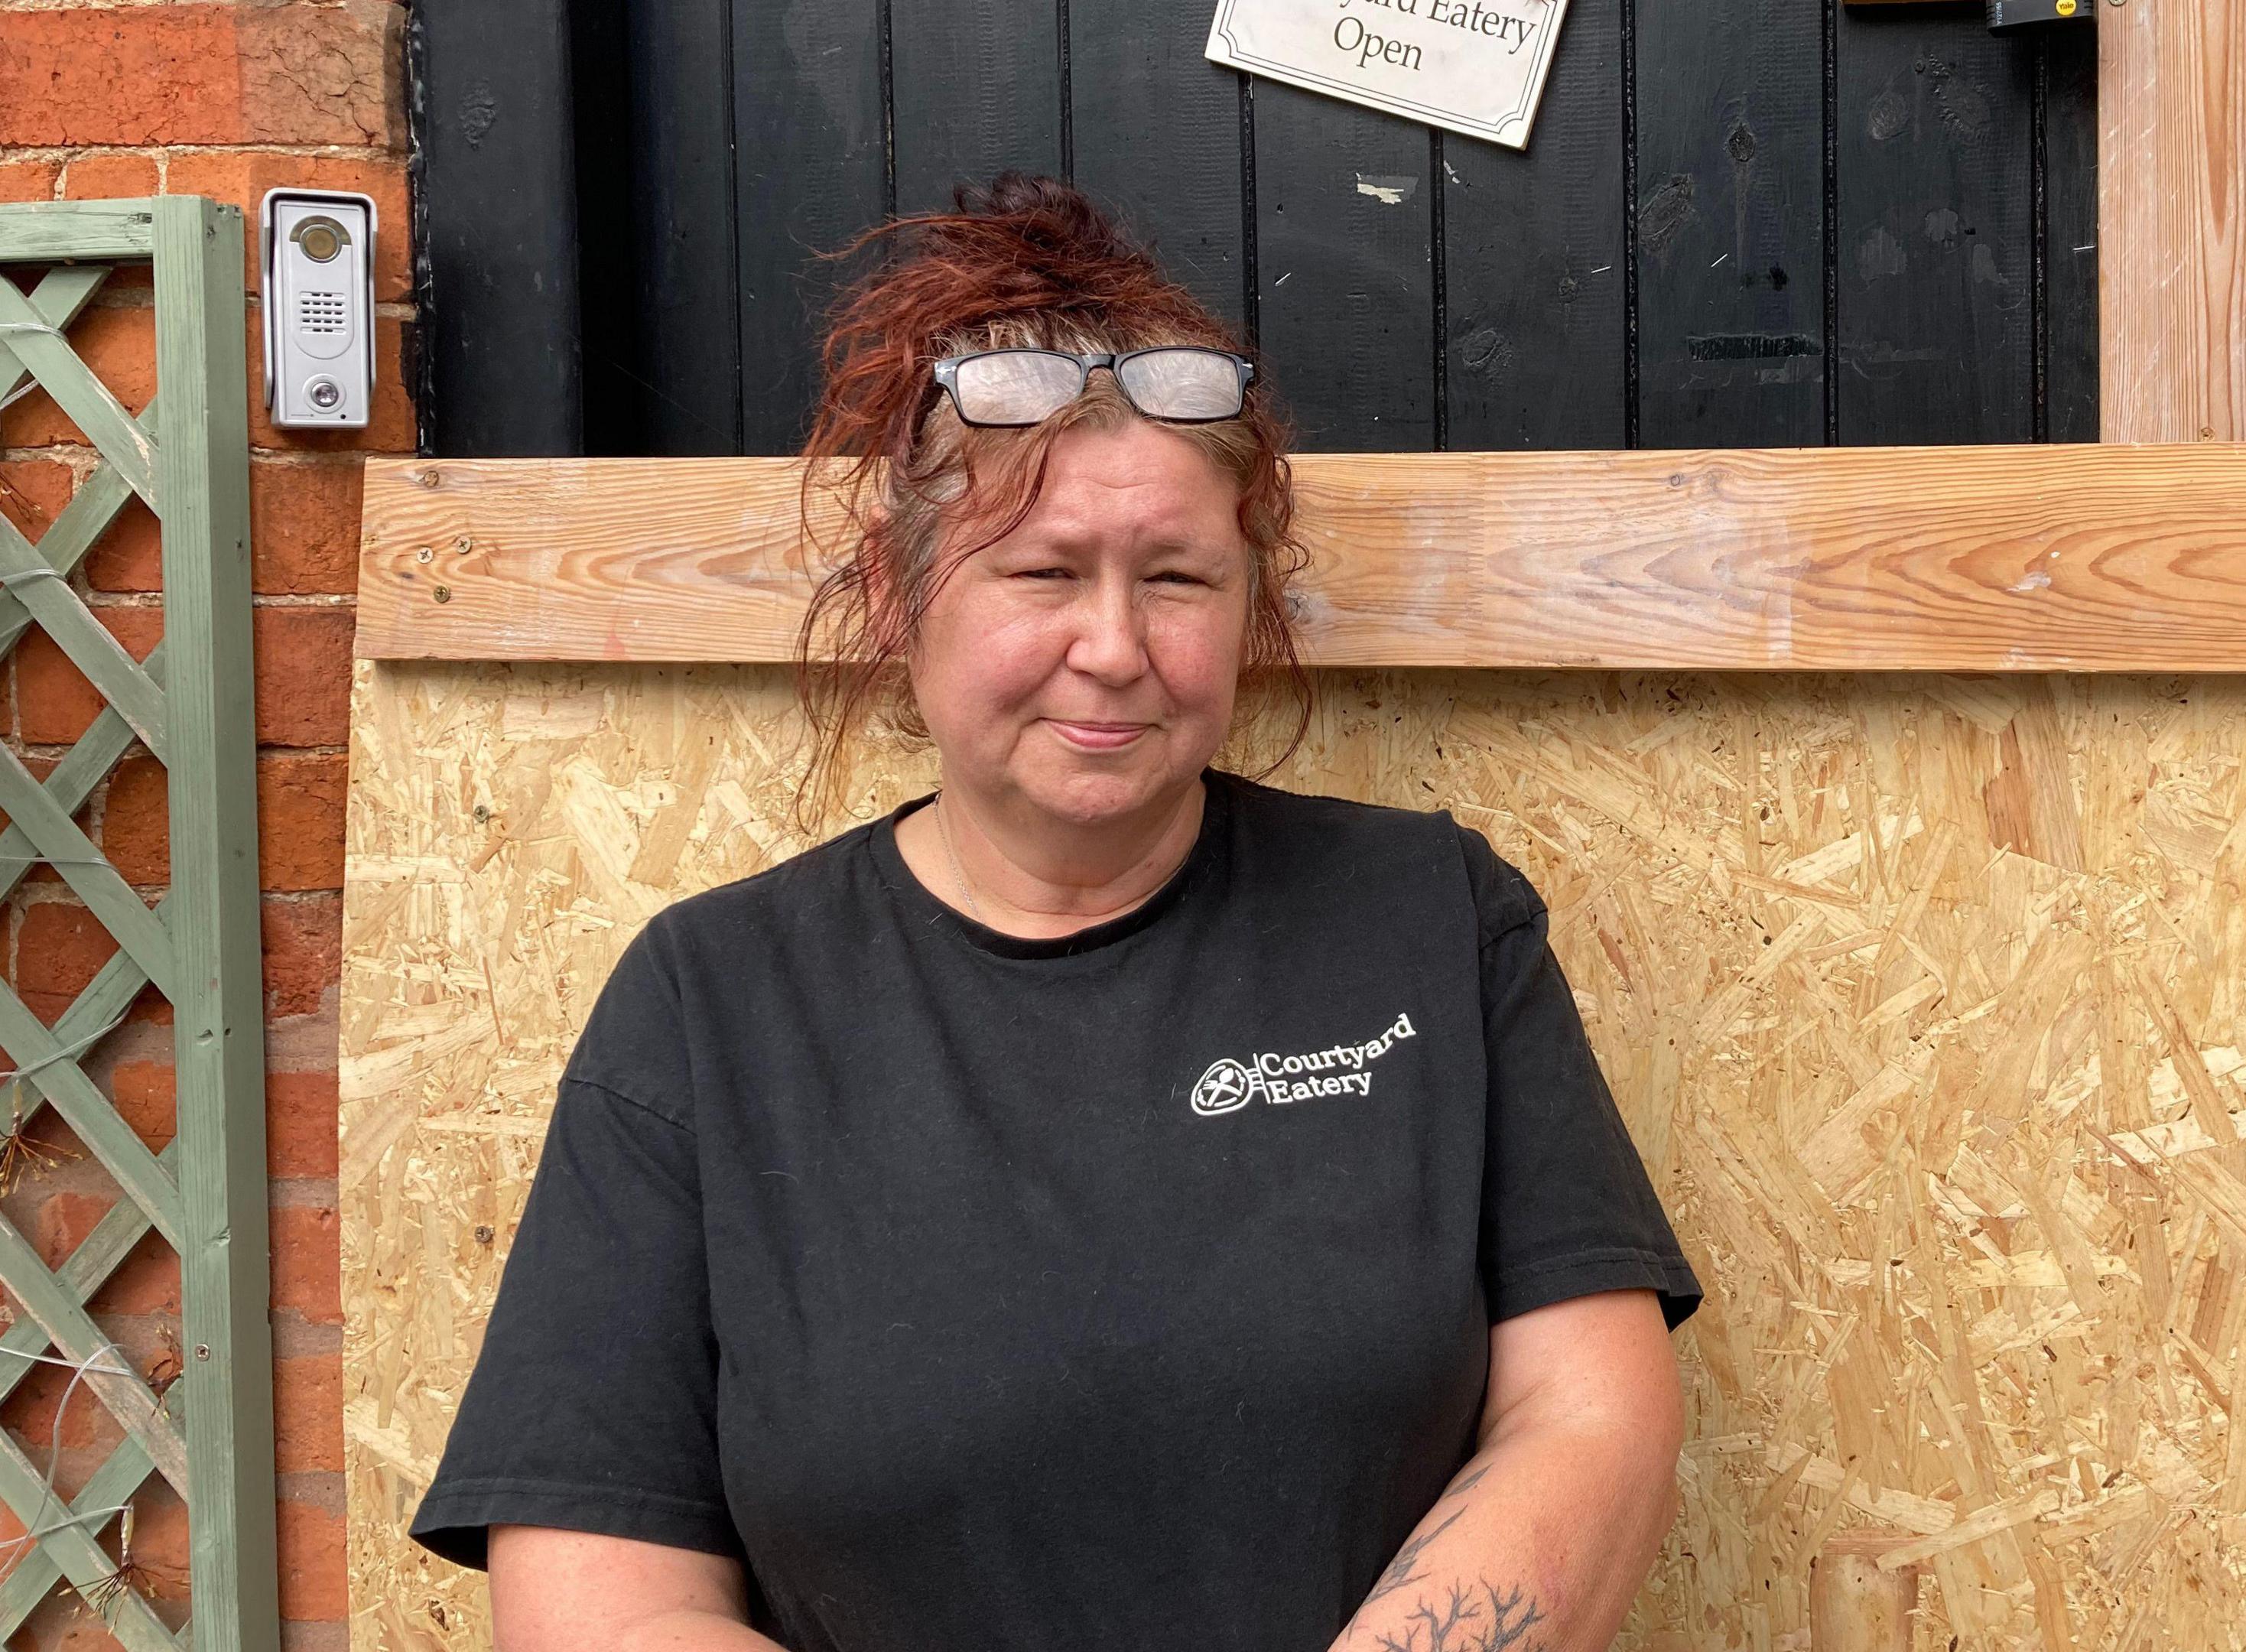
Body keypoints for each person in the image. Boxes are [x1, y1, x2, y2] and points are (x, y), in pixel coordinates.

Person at [405, 173, 1704, 1652]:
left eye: (1175, 579)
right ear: (900, 607)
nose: (1113, 649)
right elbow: (595, 1590)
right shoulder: (715, 1002)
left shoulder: (1431, 919)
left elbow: (1590, 1416)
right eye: (1040, 574)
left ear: (1248, 604)